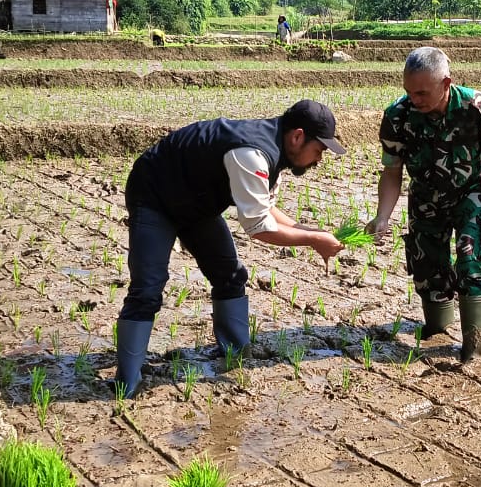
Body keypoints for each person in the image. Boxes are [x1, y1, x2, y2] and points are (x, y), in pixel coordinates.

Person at [115, 100, 346, 396]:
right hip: (155, 195)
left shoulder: (275, 153)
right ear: (298, 136)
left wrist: (310, 231)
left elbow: (267, 208)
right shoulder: (251, 154)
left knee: (230, 275)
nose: (319, 159)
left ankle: (235, 355)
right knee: (147, 287)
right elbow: (259, 227)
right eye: (319, 150)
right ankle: (127, 383)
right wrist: (314, 241)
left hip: (197, 203)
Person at [366, 47, 481, 362]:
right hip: (425, 195)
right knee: (427, 269)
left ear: (446, 83)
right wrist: (382, 217)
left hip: (471, 192)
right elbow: (392, 171)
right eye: (409, 91)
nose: (415, 99)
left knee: (471, 261)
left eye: (422, 92)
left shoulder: (479, 109)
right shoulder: (398, 115)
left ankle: (474, 350)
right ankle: (439, 332)